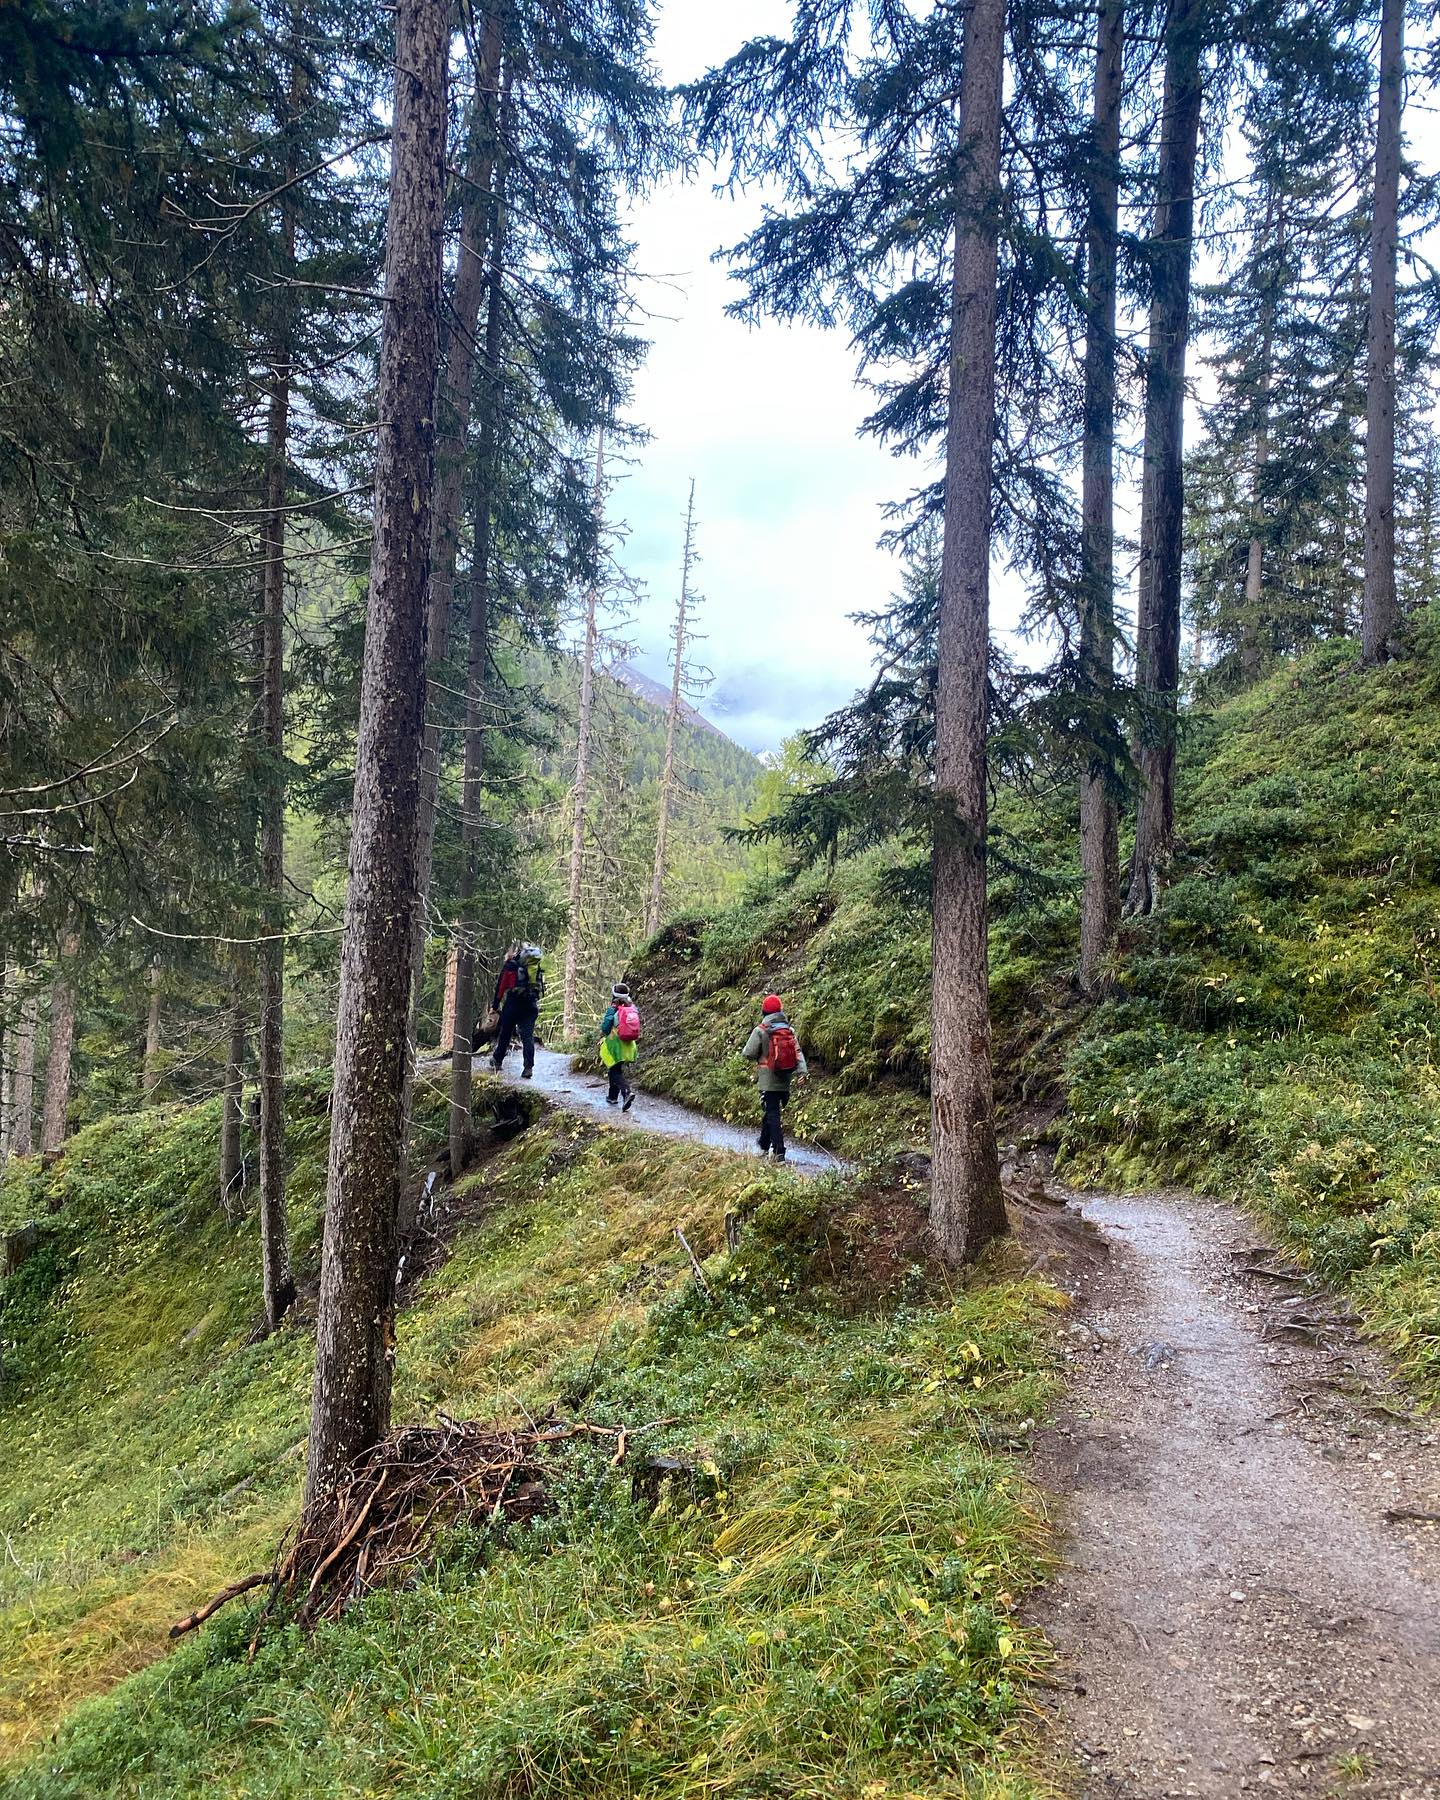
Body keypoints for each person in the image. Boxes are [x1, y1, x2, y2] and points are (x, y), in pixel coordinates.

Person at [741, 993, 807, 1161]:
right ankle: (764, 1145)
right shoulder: (789, 1031)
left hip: (768, 1079)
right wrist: (802, 1072)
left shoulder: (761, 1030)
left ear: (764, 1011)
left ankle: (779, 1151)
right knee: (771, 1112)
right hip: (785, 1078)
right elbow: (797, 1052)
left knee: (773, 1113)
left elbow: (748, 1053)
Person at [490, 943, 543, 1079]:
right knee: (527, 1036)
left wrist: (495, 1006)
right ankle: (528, 1067)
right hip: (530, 1005)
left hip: (513, 1004)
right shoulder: (534, 966)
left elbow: (501, 987)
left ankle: (497, 1060)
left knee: (505, 1033)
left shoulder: (510, 966)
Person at [599, 982, 640, 1111]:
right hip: (629, 1043)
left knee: (614, 1070)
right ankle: (612, 1096)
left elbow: (606, 1028)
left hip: (616, 1043)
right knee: (615, 1068)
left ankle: (626, 1092)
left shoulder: (613, 1008)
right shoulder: (632, 1007)